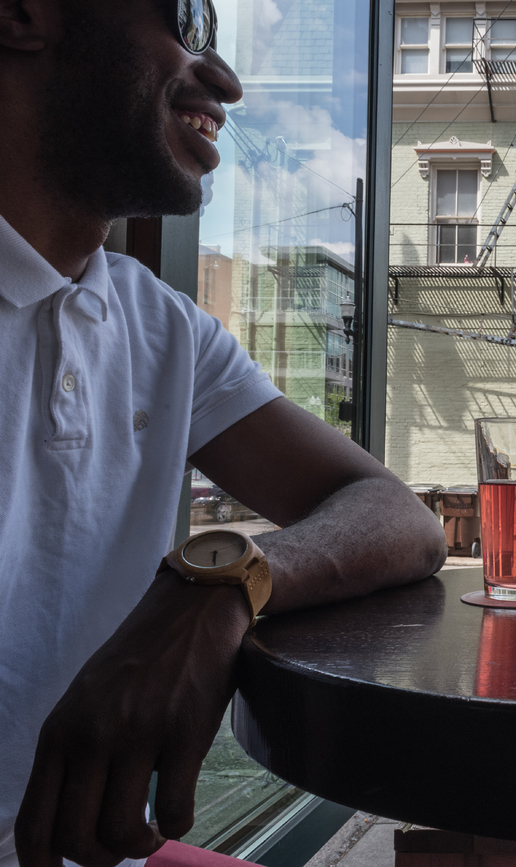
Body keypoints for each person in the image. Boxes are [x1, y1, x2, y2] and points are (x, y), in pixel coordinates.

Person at [0, 3, 446, 867]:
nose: (226, 80)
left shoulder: (158, 326)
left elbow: (398, 514)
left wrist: (218, 585)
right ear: (26, 13)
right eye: (186, 16)